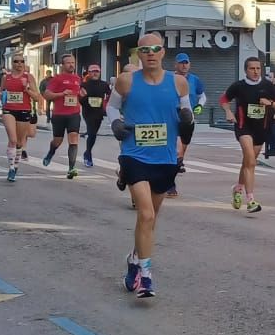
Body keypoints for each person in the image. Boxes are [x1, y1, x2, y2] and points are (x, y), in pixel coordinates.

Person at [111, 34, 193, 299]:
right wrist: (116, 123)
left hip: (165, 158)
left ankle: (134, 259)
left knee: (150, 219)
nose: (150, 53)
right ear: (139, 53)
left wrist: (186, 119)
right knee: (145, 214)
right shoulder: (126, 80)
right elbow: (111, 108)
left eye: (155, 49)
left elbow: (187, 113)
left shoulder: (178, 82)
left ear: (162, 52)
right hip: (134, 156)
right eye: (144, 50)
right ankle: (145, 277)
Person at [220, 53, 275, 213]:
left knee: (248, 162)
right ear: (246, 70)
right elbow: (224, 99)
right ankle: (251, 200)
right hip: (243, 127)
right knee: (251, 162)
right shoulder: (238, 86)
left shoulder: (267, 86)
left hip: (260, 129)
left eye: (258, 68)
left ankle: (238, 188)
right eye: (252, 69)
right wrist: (228, 112)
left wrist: (271, 103)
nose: (256, 71)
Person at [41, 54, 86, 178]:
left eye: (73, 62)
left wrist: (82, 94)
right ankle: (51, 153)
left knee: (73, 139)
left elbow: (78, 95)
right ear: (63, 65)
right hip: (59, 114)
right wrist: (62, 94)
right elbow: (47, 95)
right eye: (68, 63)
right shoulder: (57, 79)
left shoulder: (77, 79)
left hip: (74, 114)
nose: (71, 65)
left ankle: (71, 168)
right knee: (58, 141)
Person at [0, 59, 39, 181]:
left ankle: (15, 166)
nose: (19, 64)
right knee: (13, 139)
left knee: (20, 142)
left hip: (24, 110)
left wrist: (26, 89)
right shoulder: (6, 77)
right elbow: (2, 93)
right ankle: (11, 168)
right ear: (12, 64)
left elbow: (37, 97)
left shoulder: (29, 77)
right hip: (8, 110)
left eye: (22, 61)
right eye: (16, 61)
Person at [173, 54, 206, 173]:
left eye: (186, 63)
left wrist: (200, 106)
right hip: (172, 113)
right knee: (174, 139)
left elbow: (202, 96)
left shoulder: (194, 80)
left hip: (188, 115)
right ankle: (175, 160)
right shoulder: (169, 78)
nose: (184, 65)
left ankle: (180, 159)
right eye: (181, 63)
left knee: (185, 140)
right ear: (175, 64)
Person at [79, 63, 112, 168]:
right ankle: (88, 155)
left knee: (93, 134)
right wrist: (84, 98)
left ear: (99, 72)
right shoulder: (84, 85)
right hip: (88, 111)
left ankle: (87, 151)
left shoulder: (104, 84)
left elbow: (110, 96)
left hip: (98, 112)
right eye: (92, 71)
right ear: (89, 73)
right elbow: (80, 98)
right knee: (91, 132)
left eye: (96, 71)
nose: (95, 73)